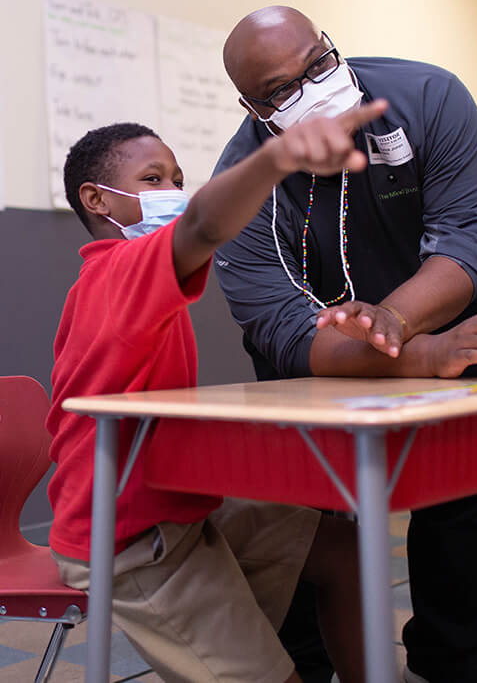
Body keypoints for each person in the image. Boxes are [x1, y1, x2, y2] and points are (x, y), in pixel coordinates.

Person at [213, 6, 477, 683]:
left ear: (331, 46)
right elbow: (283, 328)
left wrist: (393, 322)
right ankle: (307, 659)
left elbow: (467, 240)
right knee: (305, 504)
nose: (314, 89)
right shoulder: (242, 186)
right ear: (253, 108)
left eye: (318, 64)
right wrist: (405, 353)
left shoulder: (429, 98)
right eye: (282, 89)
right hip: (321, 354)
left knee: (458, 486)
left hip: (452, 315)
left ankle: (451, 655)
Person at [47, 102, 394, 683]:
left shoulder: (133, 276)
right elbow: (204, 224)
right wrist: (276, 157)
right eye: (153, 180)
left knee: (342, 549)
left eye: (179, 180)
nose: (174, 191)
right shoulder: (119, 270)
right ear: (96, 199)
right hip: (127, 536)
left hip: (176, 501)